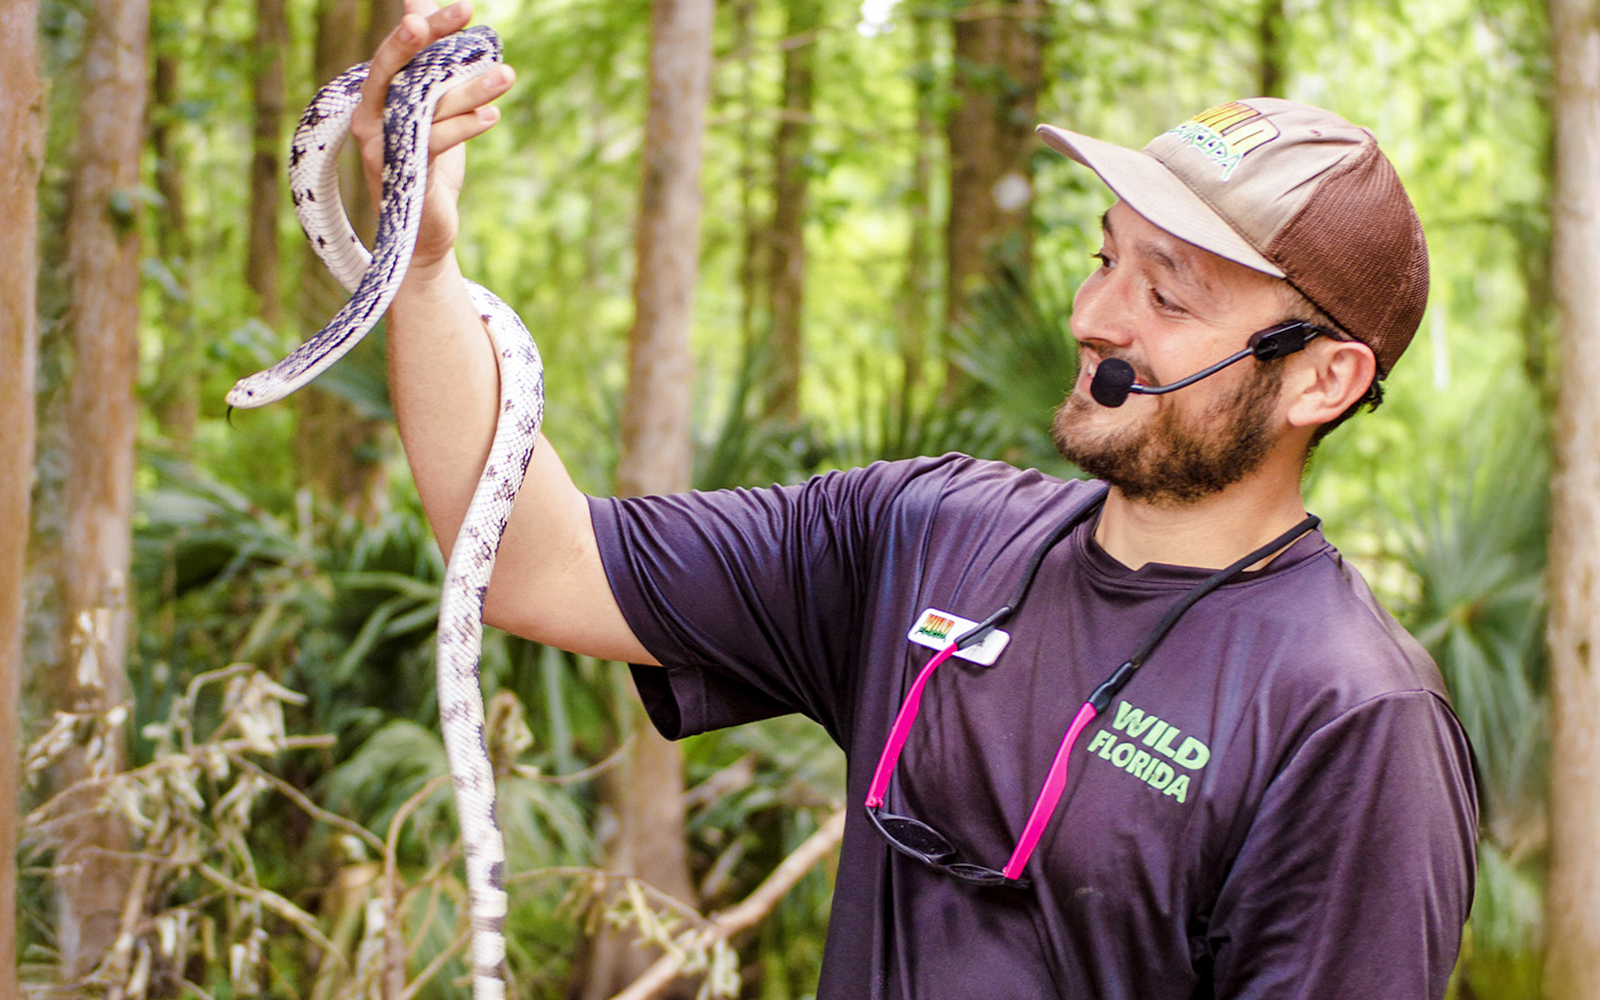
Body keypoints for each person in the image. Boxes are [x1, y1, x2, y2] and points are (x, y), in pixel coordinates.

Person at [358, 3, 1478, 997]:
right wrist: (418, 264)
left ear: (1321, 378)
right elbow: (524, 563)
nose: (1095, 315)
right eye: (1104, 259)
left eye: (1164, 294)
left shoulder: (1351, 719)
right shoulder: (927, 533)